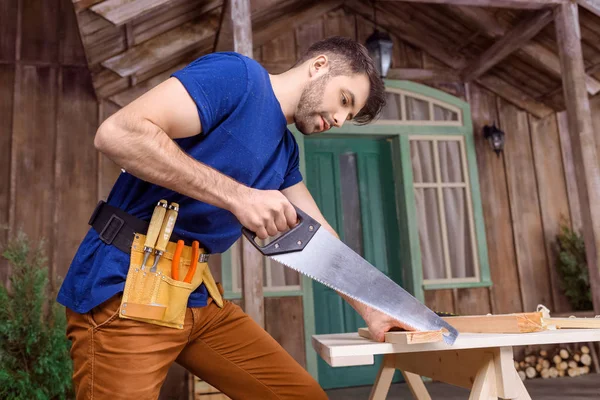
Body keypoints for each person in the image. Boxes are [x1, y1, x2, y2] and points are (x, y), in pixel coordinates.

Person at [58, 36, 407, 399]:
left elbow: (318, 237)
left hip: (195, 295)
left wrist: (375, 310)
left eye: (348, 117)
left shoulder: (285, 153)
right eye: (344, 100)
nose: (338, 119)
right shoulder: (237, 78)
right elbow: (118, 134)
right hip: (129, 287)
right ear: (319, 66)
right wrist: (238, 196)